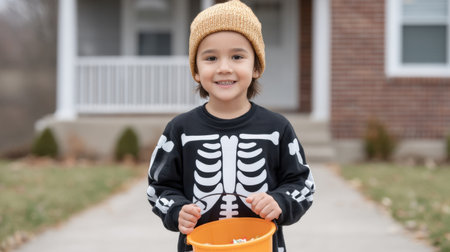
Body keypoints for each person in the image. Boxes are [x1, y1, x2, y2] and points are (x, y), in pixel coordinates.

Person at [146, 1, 315, 251]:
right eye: (211, 58)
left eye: (237, 56)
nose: (224, 68)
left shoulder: (277, 128)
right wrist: (176, 210)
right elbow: (158, 187)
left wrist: (280, 201)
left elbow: (303, 184)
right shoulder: (180, 130)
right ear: (196, 70)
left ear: (256, 66)